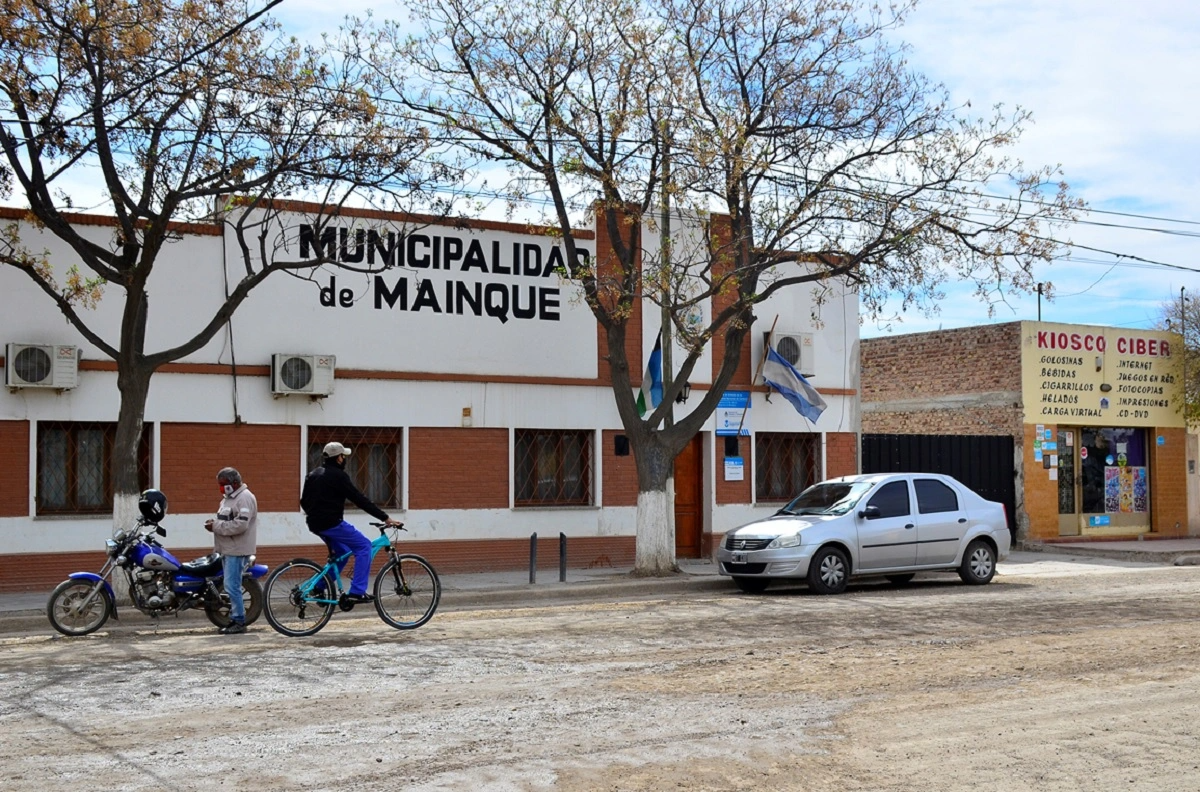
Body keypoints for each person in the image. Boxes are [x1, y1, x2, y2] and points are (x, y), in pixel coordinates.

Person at [301, 441, 402, 605]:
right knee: (364, 546)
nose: (345, 459)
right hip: (332, 524)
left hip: (314, 523)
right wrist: (385, 518)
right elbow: (359, 499)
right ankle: (357, 592)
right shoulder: (339, 476)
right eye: (343, 456)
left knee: (342, 554)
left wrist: (317, 513)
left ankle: (319, 586)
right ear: (339, 458)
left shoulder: (313, 474)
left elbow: (303, 501)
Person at [205, 467, 258, 635]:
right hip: (228, 549)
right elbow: (226, 519)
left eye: (224, 484)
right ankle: (235, 619)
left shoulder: (244, 498)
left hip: (237, 549)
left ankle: (239, 621)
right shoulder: (228, 498)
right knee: (230, 584)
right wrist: (214, 523)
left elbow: (240, 525)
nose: (221, 487)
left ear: (234, 483)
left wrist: (215, 526)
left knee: (232, 585)